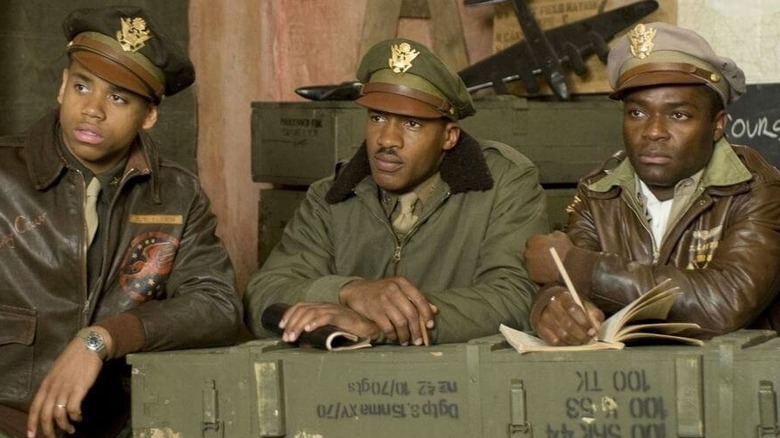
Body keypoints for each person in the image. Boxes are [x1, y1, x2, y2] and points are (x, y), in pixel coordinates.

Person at [0, 6, 242, 438]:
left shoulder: (178, 195)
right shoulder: (3, 176)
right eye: (81, 86)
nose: (92, 109)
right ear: (61, 87)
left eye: (118, 98)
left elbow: (217, 305)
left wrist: (102, 338)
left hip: (126, 425)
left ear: (149, 115)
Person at [243, 38, 549, 347]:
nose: (387, 139)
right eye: (376, 117)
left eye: (412, 123)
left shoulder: (503, 182)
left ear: (449, 137)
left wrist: (380, 324)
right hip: (346, 385)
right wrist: (348, 291)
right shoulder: (331, 196)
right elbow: (263, 294)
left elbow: (516, 298)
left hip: (460, 380)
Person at [524, 22, 780, 346]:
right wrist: (551, 308)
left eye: (678, 116)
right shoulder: (600, 192)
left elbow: (725, 301)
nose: (653, 131)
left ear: (717, 126)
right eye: (636, 113)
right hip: (629, 386)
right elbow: (561, 282)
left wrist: (581, 268)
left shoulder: (757, 190)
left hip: (731, 383)